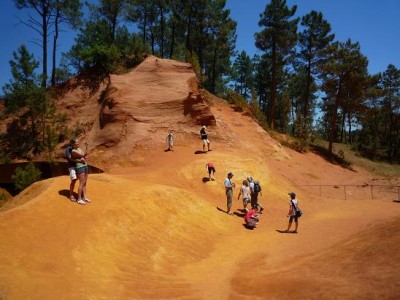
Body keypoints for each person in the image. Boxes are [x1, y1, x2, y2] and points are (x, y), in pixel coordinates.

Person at [71, 140, 90, 205]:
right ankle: (79, 199)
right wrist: (87, 147)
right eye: (76, 142)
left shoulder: (79, 148)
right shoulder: (73, 151)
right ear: (73, 144)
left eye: (78, 142)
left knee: (84, 183)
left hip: (85, 165)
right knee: (81, 183)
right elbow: (84, 155)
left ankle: (84, 197)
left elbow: (84, 156)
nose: (78, 143)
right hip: (80, 167)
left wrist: (84, 156)